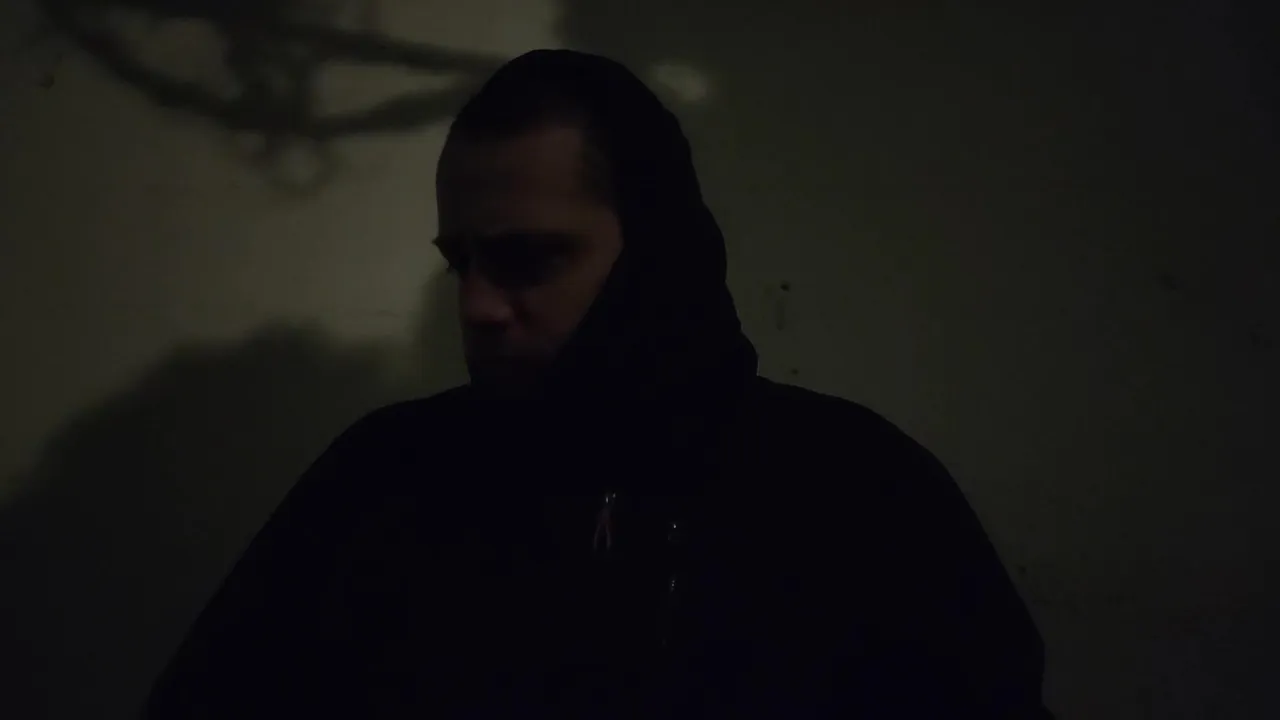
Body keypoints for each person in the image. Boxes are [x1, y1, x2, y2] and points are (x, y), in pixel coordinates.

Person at [145, 49, 1049, 717]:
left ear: (657, 252)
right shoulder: (378, 482)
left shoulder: (859, 494)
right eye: (461, 262)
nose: (478, 306)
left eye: (528, 259)